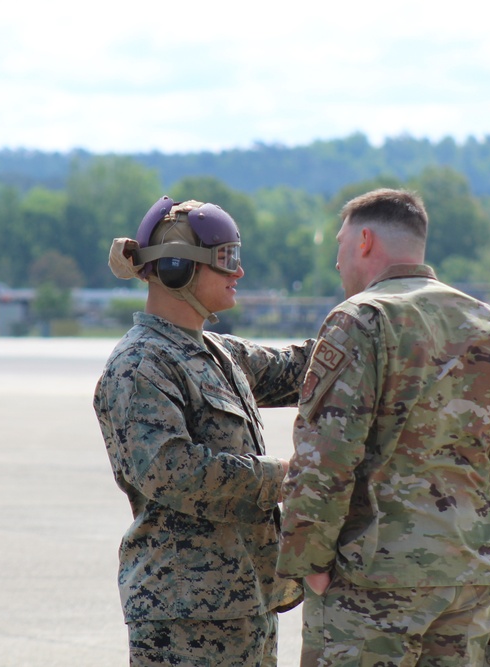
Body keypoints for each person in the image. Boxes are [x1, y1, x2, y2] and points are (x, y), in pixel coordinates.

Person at [277, 188, 490, 667]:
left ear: (365, 241)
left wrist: (310, 562)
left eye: (340, 247)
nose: (338, 264)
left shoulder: (361, 318)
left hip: (372, 578)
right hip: (464, 575)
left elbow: (327, 454)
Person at [93, 196, 313, 666]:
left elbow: (300, 370)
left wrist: (369, 328)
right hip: (184, 619)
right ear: (177, 270)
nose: (239, 272)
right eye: (227, 260)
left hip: (245, 603)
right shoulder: (140, 365)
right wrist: (287, 476)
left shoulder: (217, 352)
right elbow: (173, 472)